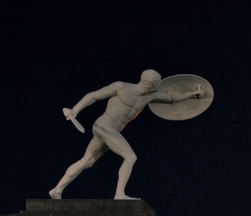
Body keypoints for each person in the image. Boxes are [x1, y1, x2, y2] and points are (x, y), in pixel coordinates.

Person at [49, 70, 202, 200]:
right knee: (130, 157)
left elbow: (171, 98)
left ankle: (57, 190)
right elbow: (94, 95)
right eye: (158, 83)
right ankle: (119, 194)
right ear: (152, 84)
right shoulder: (122, 87)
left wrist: (192, 93)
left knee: (87, 161)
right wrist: (75, 109)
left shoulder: (150, 96)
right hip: (105, 126)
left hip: (110, 131)